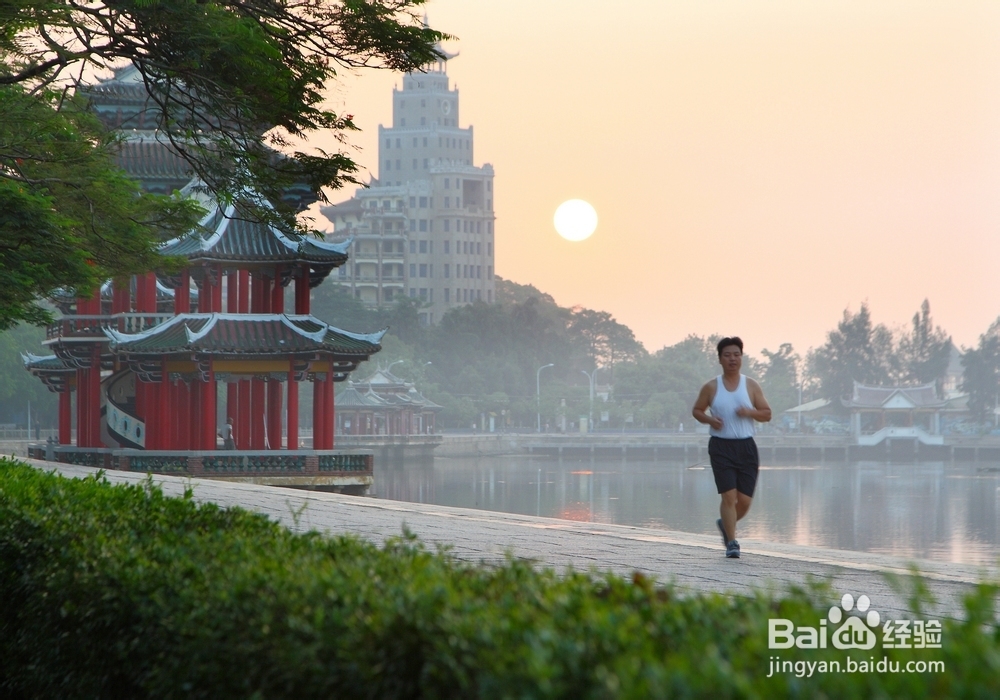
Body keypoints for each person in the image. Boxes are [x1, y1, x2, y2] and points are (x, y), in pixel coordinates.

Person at [692, 337, 771, 559]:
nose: (732, 359)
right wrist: (710, 420)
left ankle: (726, 524)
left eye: (736, 354)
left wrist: (750, 412)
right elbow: (697, 410)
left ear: (742, 358)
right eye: (727, 355)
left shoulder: (751, 385)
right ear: (720, 359)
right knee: (729, 496)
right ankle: (732, 542)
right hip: (721, 447)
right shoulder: (711, 387)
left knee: (744, 501)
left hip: (746, 447)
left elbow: (767, 413)